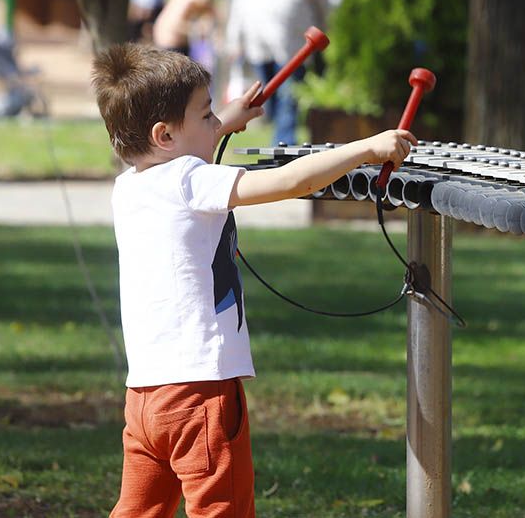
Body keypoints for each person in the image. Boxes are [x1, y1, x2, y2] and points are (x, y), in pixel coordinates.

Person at [91, 44, 415, 517]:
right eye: (205, 118)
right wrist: (366, 148)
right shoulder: (190, 179)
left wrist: (223, 117)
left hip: (145, 399)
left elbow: (180, 143)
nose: (214, 126)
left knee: (139, 511)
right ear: (164, 135)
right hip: (200, 394)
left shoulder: (132, 184)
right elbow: (291, 183)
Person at [225, 0, 330, 145]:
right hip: (258, 45)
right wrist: (234, 40)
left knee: (288, 103)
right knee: (268, 105)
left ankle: (282, 155)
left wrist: (324, 29)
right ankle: (279, 145)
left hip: (295, 47)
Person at [152, 0, 217, 59]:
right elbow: (175, 25)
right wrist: (196, 30)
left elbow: (209, 12)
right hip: (169, 41)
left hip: (175, 42)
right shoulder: (187, 1)